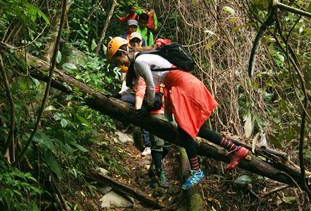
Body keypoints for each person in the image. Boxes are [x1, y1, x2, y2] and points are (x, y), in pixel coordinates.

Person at [106, 37, 250, 189]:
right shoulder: (141, 60)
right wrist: (123, 97)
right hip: (181, 84)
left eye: (118, 60)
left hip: (183, 85)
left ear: (122, 52)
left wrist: (147, 106)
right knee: (193, 129)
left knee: (187, 130)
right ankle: (235, 149)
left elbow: (150, 85)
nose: (120, 64)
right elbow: (141, 84)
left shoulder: (141, 61)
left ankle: (197, 171)